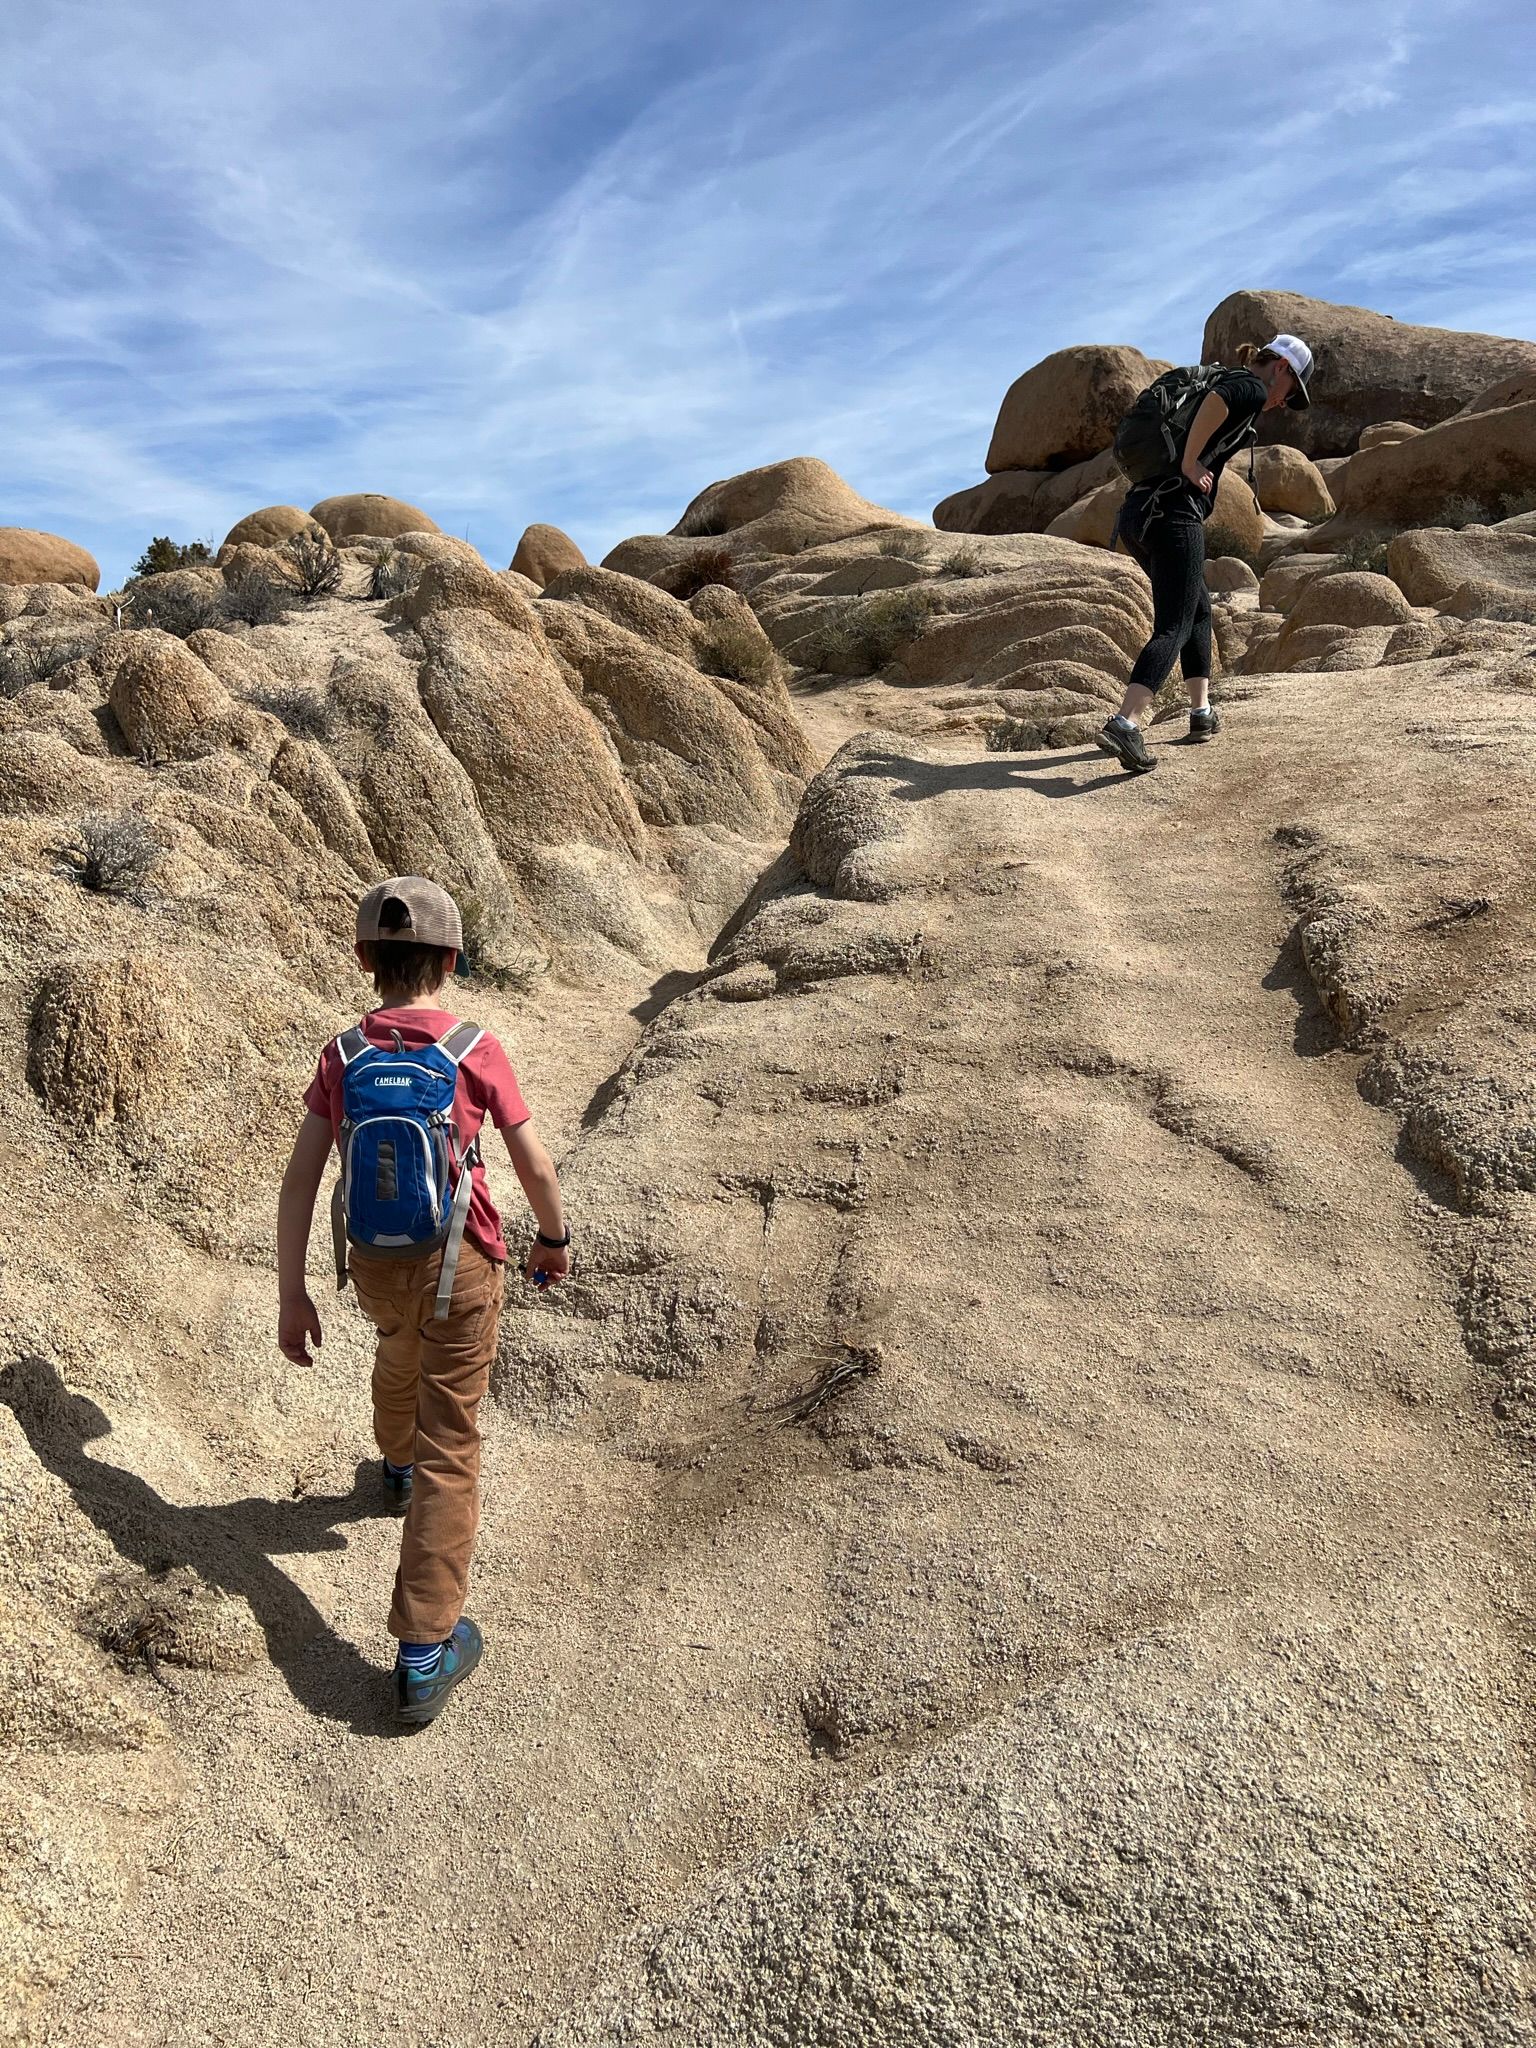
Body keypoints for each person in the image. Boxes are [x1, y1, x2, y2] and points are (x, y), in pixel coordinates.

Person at [275, 877, 570, 1725]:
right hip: (462, 1263)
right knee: (456, 1439)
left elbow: (302, 1180)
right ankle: (423, 1652)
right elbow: (535, 1167)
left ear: (366, 960)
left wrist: (295, 1294)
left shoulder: (341, 1054)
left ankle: (393, 1467)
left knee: (396, 1344)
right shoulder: (474, 1048)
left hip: (371, 1259)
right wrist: (551, 1240)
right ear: (450, 959)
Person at [1096, 333, 1314, 775]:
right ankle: (1126, 722)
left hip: (1141, 511)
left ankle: (1201, 711)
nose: (1283, 403)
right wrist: (1191, 462)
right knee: (1175, 621)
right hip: (1173, 512)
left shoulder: (1235, 380)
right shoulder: (1249, 385)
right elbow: (1217, 400)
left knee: (1197, 608)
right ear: (1283, 370)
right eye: (1291, 393)